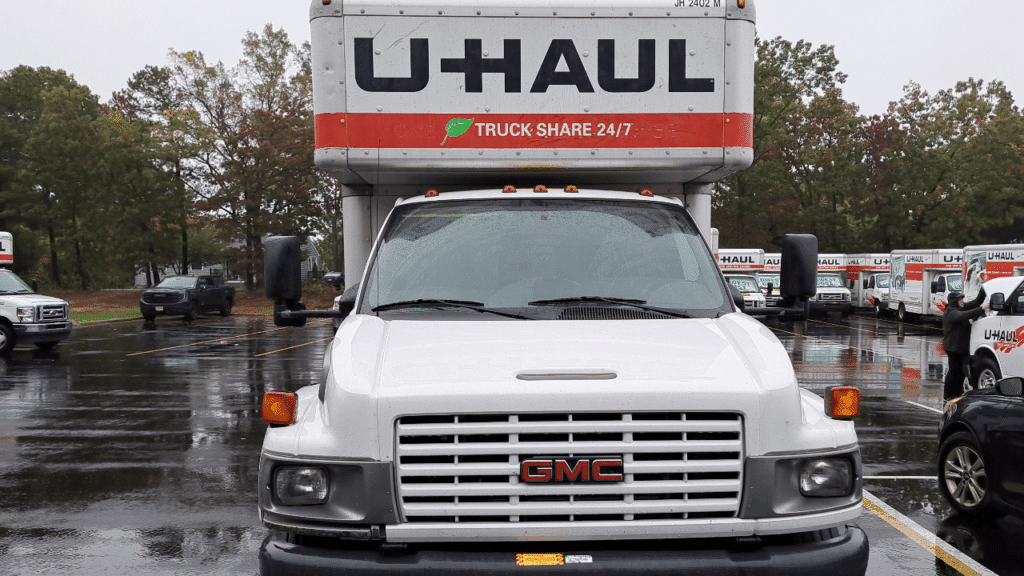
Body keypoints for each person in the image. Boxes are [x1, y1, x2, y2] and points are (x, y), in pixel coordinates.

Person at [942, 289, 988, 400]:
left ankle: (958, 393)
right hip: (953, 348)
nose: (962, 301)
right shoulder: (951, 312)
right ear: (954, 302)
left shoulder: (961, 308)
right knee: (954, 371)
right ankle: (948, 395)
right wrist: (982, 309)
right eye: (960, 300)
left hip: (962, 348)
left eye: (962, 299)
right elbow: (963, 316)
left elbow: (976, 302)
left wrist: (983, 289)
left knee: (962, 372)